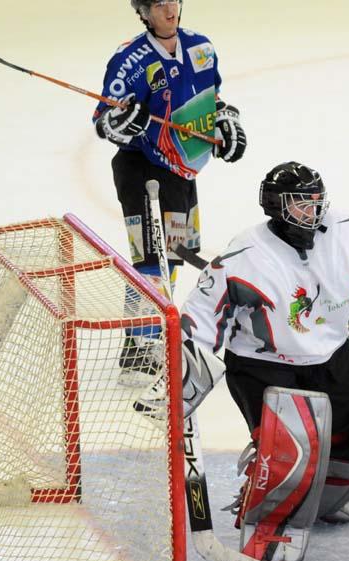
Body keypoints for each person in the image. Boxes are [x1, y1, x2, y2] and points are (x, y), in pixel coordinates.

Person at [147, 161, 349, 561]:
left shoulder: (344, 232)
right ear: (276, 206)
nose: (314, 211)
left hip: (331, 356)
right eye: (301, 204)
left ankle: (324, 498)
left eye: (315, 201)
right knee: (288, 451)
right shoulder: (243, 257)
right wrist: (183, 363)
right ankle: (272, 523)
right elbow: (202, 318)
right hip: (263, 365)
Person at [93, 0, 247, 386]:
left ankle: (153, 331)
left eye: (173, 0)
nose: (169, 9)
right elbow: (104, 121)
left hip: (182, 170)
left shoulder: (201, 47)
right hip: (143, 170)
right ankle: (139, 349)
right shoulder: (129, 59)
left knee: (174, 255)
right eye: (158, 4)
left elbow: (214, 100)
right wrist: (122, 121)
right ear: (143, 11)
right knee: (150, 255)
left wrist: (226, 121)